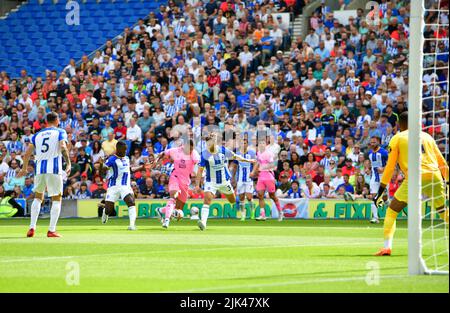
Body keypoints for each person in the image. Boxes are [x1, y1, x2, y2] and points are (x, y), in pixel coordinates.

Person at [373, 112, 449, 256]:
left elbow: (389, 167)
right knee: (443, 212)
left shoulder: (398, 138)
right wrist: (449, 182)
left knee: (392, 211)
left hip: (415, 177)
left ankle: (387, 247)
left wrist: (381, 190)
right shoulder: (427, 137)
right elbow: (442, 163)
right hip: (434, 176)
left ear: (399, 124)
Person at [18, 112, 71, 238]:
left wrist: (24, 168)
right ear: (57, 120)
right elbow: (63, 147)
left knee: (38, 197)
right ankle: (51, 230)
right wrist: (68, 164)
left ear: (46, 121)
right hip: (54, 169)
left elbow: (27, 154)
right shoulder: (60, 132)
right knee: (57, 198)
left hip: (39, 170)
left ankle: (32, 227)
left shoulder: (37, 135)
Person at [194, 133, 255, 230]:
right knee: (207, 200)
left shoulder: (222, 150)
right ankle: (203, 223)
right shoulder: (204, 154)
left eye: (210, 143)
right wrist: (197, 185)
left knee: (232, 201)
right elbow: (200, 171)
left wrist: (248, 160)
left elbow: (235, 156)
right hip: (211, 182)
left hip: (224, 181)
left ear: (214, 143)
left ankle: (238, 201)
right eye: (207, 144)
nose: (208, 145)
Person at [153, 138, 200, 229]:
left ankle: (160, 210)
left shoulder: (194, 154)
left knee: (178, 211)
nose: (190, 150)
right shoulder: (176, 150)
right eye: (188, 148)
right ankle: (166, 221)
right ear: (184, 146)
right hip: (175, 177)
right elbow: (163, 153)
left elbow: (200, 165)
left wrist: (198, 181)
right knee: (173, 196)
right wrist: (156, 160)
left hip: (185, 182)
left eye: (191, 148)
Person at [99, 141, 137, 231]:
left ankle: (132, 225)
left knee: (131, 202)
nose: (125, 151)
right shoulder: (112, 159)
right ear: (118, 149)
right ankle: (105, 212)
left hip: (125, 186)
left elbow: (129, 169)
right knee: (109, 210)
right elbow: (102, 172)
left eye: (126, 149)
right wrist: (101, 164)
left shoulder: (127, 158)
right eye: (124, 150)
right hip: (113, 186)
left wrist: (142, 167)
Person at [251, 136, 284, 221]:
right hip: (261, 177)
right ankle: (263, 215)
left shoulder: (269, 154)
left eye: (263, 143)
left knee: (272, 196)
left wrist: (263, 168)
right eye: (260, 143)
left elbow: (273, 165)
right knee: (260, 195)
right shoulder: (258, 153)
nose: (261, 145)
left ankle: (280, 212)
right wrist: (253, 172)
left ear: (266, 145)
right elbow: (258, 162)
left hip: (269, 176)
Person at [232, 137, 256, 221]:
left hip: (249, 179)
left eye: (245, 143)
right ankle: (243, 216)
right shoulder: (237, 154)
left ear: (247, 144)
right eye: (242, 143)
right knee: (241, 198)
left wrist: (253, 172)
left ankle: (252, 212)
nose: (243, 144)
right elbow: (235, 167)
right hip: (240, 180)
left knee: (249, 197)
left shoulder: (252, 153)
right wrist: (233, 178)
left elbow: (256, 164)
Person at [368, 136, 388, 224]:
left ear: (379, 142)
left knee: (385, 198)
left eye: (374, 142)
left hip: (384, 176)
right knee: (374, 197)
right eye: (371, 142)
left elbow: (391, 162)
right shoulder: (369, 153)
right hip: (374, 177)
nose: (372, 144)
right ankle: (375, 218)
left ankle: (390, 210)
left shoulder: (384, 152)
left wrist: (383, 168)